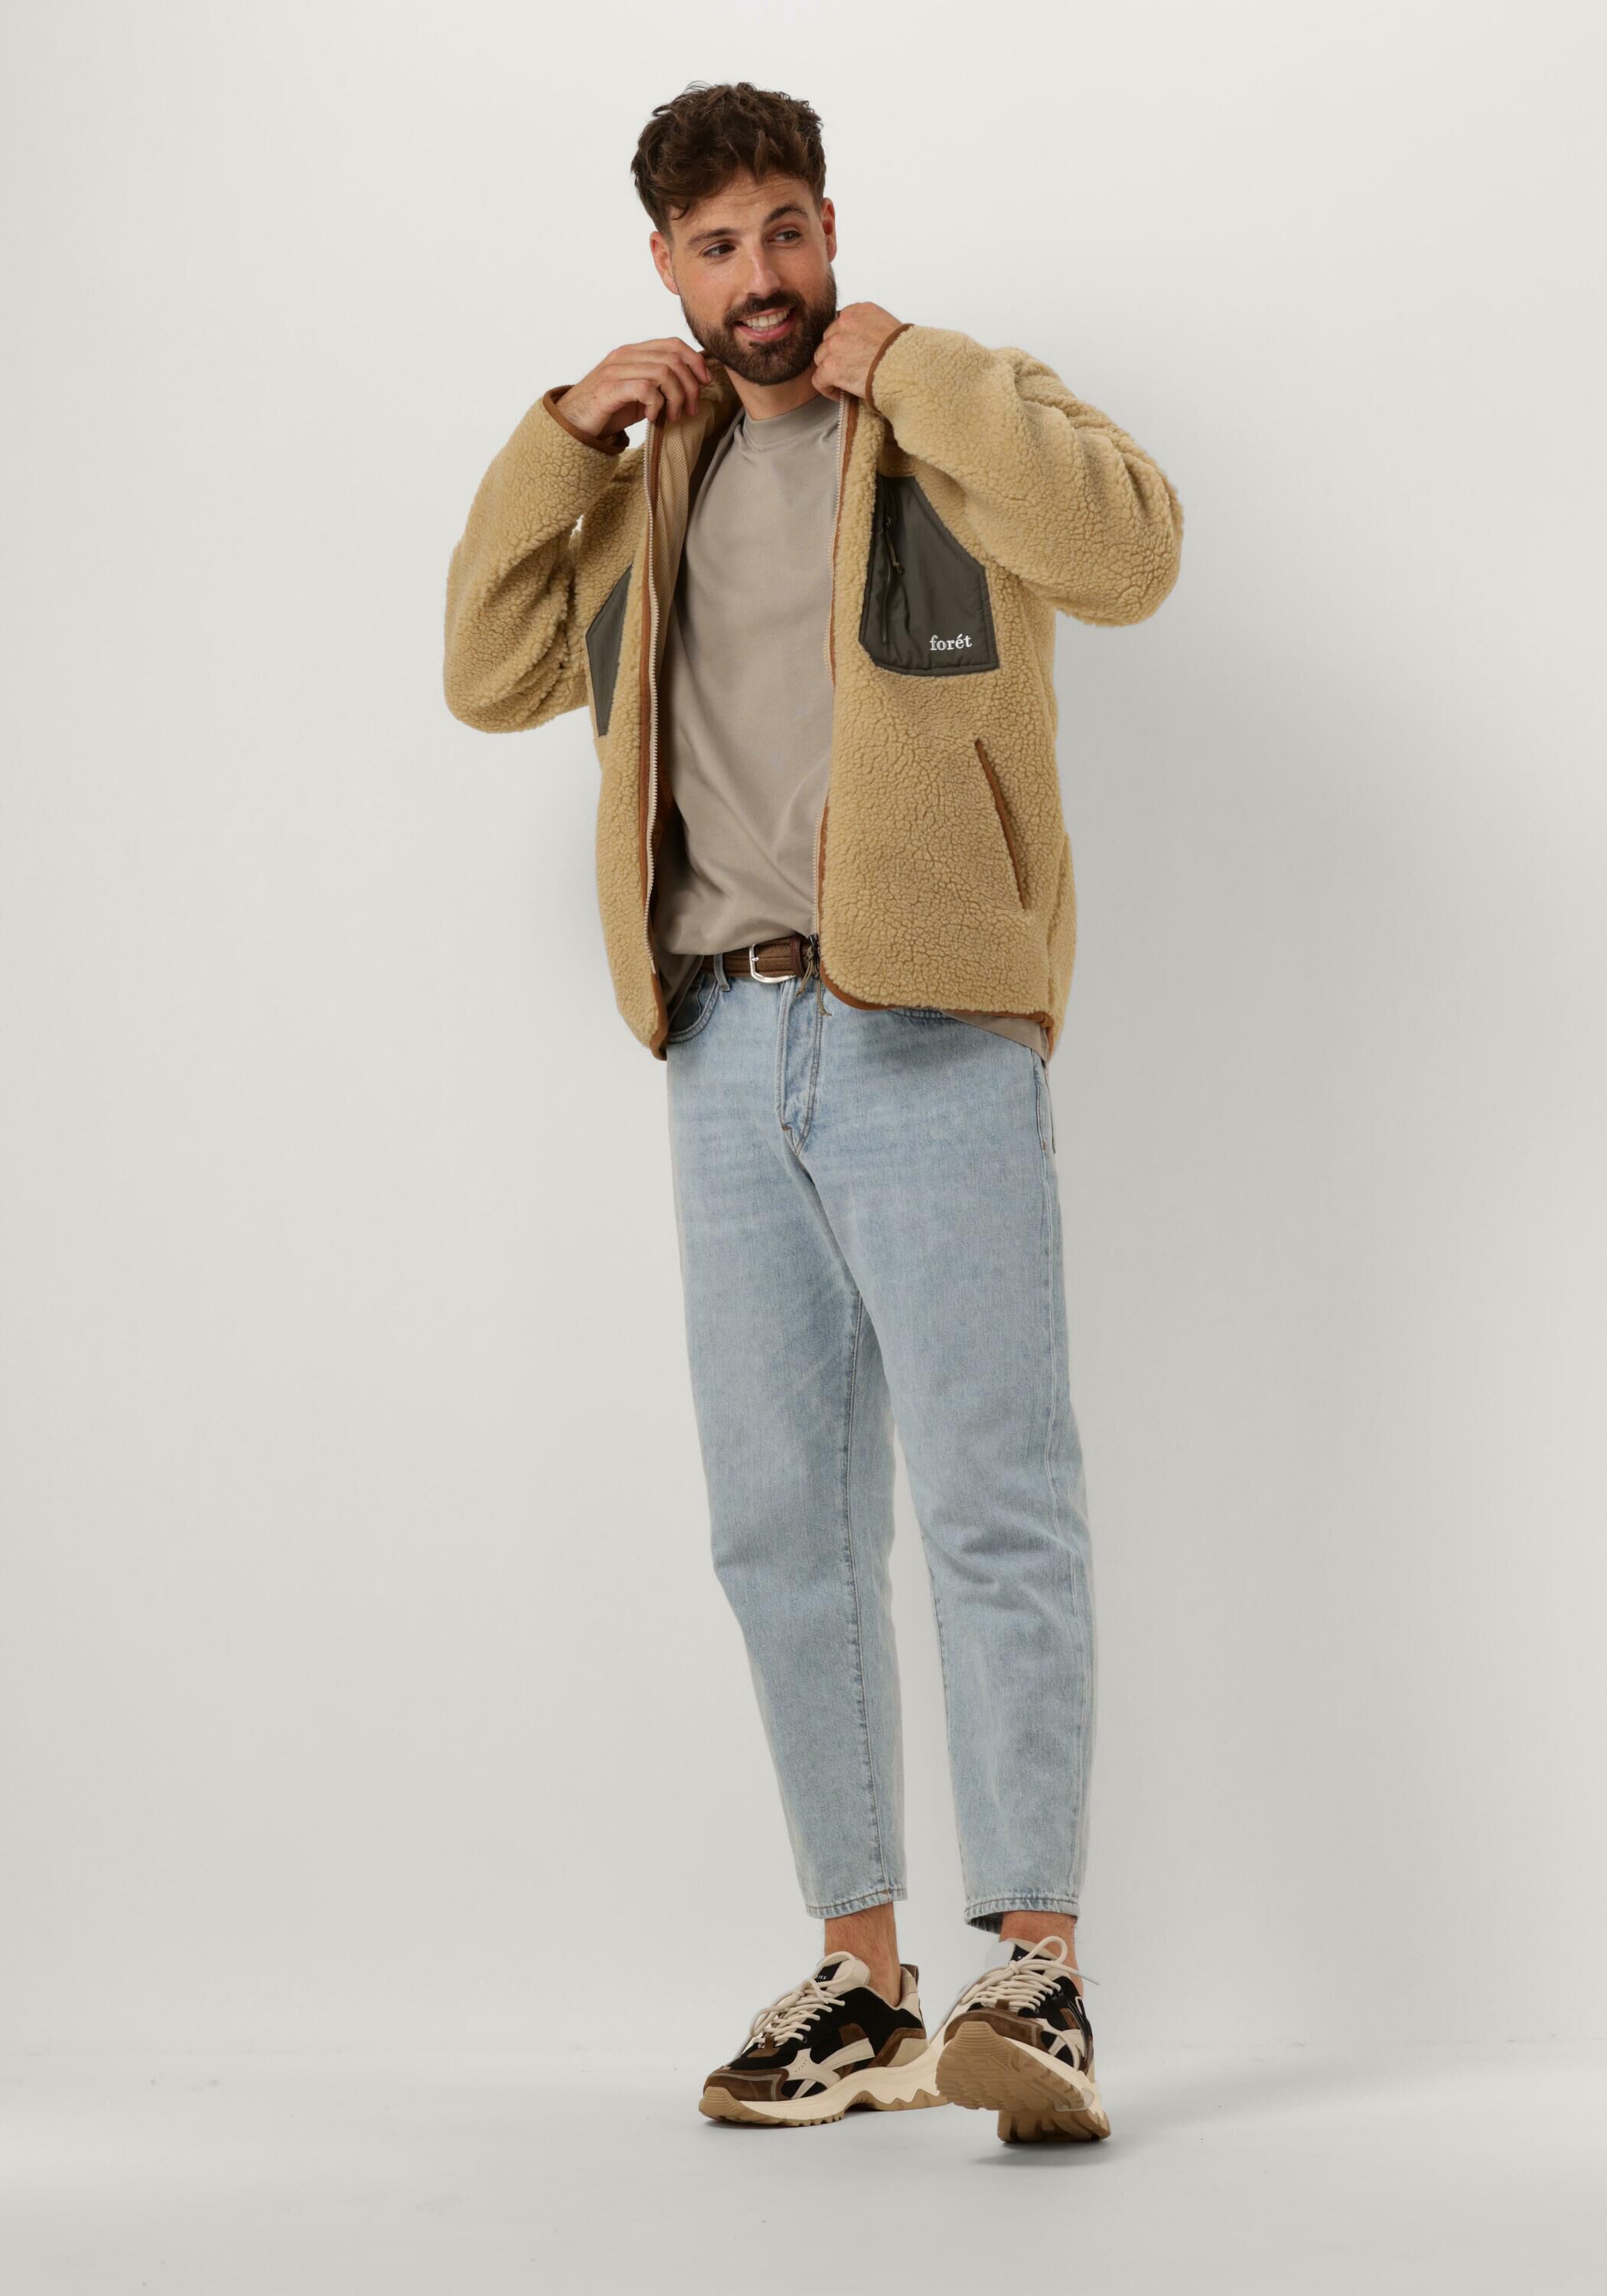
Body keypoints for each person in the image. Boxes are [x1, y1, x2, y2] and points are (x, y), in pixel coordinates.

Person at [442, 79, 1182, 2144]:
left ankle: (1035, 1975)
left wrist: (920, 367)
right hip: (719, 1041)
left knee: (994, 1500)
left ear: (830, 228)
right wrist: (558, 435)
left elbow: (1128, 555)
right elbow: (487, 674)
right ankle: (861, 1985)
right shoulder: (647, 481)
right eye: (715, 247)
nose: (757, 278)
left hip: (929, 1026)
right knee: (780, 1523)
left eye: (782, 230)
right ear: (664, 268)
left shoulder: (951, 413)